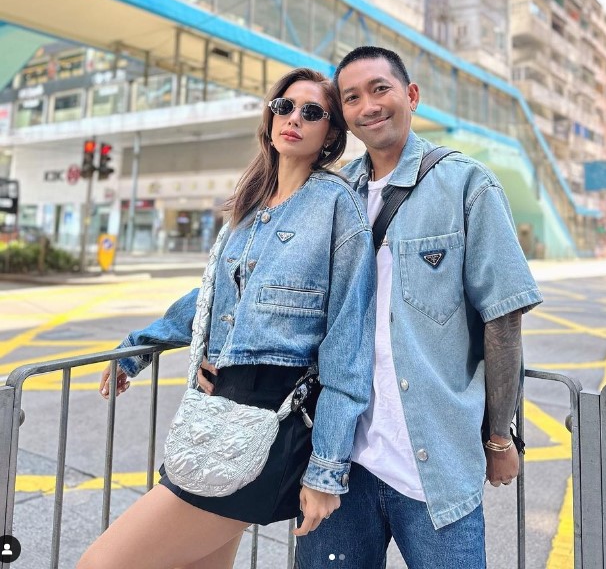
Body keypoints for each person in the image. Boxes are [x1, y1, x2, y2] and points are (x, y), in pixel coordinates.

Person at [77, 68, 376, 569]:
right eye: (284, 106)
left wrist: (326, 470)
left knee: (100, 564)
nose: (294, 119)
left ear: (330, 134)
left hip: (275, 418)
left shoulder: (337, 205)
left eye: (312, 112)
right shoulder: (251, 205)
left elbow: (348, 341)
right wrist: (137, 349)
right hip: (218, 412)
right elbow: (214, 298)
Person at [296, 47, 543, 569]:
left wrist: (500, 438)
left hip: (435, 467)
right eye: (352, 98)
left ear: (411, 95)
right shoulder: (335, 194)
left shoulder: (466, 184)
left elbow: (503, 319)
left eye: (380, 89)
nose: (368, 106)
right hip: (339, 461)